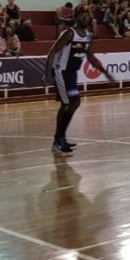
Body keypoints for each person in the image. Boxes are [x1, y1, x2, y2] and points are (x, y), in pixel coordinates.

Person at [44, 11, 114, 155]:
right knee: (70, 102)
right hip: (60, 72)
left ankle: (60, 139)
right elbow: (52, 52)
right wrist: (46, 75)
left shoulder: (88, 36)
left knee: (73, 103)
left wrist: (106, 73)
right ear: (76, 19)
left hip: (71, 74)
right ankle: (59, 139)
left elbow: (91, 58)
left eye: (87, 16)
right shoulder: (69, 34)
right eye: (82, 16)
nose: (85, 18)